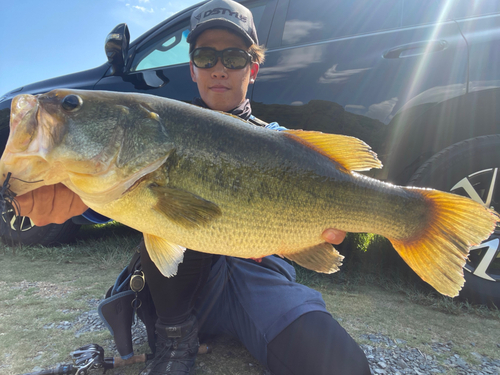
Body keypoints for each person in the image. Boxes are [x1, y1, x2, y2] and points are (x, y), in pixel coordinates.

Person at [15, 1, 371, 374]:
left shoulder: (282, 142)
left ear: (253, 68)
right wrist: (60, 197)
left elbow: (327, 196)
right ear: (193, 69)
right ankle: (175, 340)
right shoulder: (152, 132)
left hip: (260, 283)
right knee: (167, 209)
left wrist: (323, 230)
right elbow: (101, 197)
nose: (219, 68)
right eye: (205, 56)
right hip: (180, 296)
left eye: (233, 57)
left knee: (343, 366)